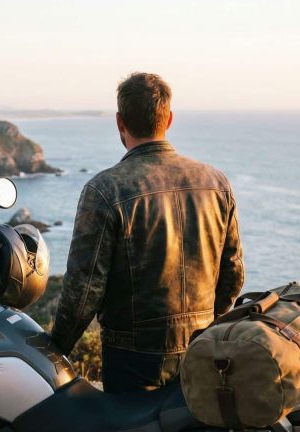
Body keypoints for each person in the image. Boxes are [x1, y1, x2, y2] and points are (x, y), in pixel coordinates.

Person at [50, 73, 244, 393]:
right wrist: (208, 327)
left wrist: (56, 351)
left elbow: (84, 290)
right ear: (168, 119)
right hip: (201, 349)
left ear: (119, 122)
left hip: (132, 358)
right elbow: (233, 272)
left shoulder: (104, 190)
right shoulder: (216, 183)